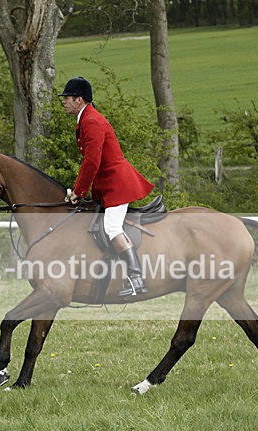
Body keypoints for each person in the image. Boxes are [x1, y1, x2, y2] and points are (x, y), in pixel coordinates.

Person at [59, 76, 154, 298]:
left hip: (117, 184)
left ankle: (136, 278)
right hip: (107, 185)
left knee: (112, 227)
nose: (63, 101)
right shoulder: (86, 119)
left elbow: (92, 162)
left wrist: (78, 192)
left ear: (79, 100)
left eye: (67, 98)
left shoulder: (92, 121)